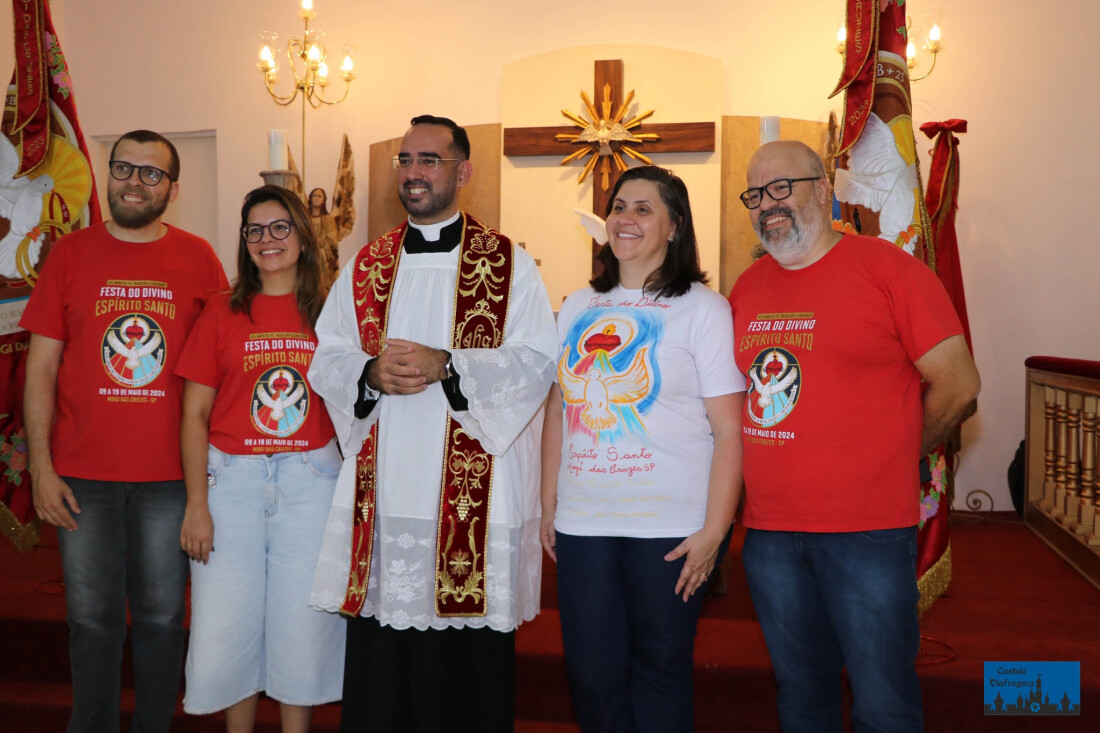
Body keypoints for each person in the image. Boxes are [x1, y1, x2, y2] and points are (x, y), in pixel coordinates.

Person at [307, 114, 557, 731]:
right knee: (383, 668)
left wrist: (449, 365)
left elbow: (535, 362)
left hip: (471, 503)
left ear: (462, 172)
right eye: (405, 161)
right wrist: (368, 374)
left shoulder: (507, 265)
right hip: (386, 494)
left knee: (465, 679)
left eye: (429, 160)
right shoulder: (366, 265)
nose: (414, 173)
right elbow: (327, 354)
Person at [728, 140, 980, 732]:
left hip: (865, 534)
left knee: (882, 698)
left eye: (781, 187)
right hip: (769, 535)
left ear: (823, 187)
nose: (768, 204)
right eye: (755, 194)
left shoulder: (888, 269)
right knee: (800, 693)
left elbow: (959, 384)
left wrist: (897, 455)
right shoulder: (746, 288)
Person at [22, 129, 229, 732]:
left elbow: (220, 367)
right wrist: (41, 465)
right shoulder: (69, 254)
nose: (134, 182)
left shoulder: (199, 259)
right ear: (107, 173)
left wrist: (206, 488)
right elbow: (41, 366)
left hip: (171, 478)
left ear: (172, 189)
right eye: (124, 168)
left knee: (164, 622)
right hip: (82, 477)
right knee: (91, 623)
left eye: (151, 173)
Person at [541, 165, 744, 732]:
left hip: (671, 527)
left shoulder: (704, 308)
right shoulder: (580, 303)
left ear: (675, 227)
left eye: (643, 209)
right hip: (586, 522)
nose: (624, 219)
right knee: (591, 675)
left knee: (660, 669)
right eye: (618, 206)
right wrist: (548, 500)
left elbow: (730, 430)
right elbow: (561, 406)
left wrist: (714, 532)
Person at [176, 185, 345, 732]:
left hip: (310, 479)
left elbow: (354, 404)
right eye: (255, 230)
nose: (267, 240)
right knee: (229, 623)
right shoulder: (224, 311)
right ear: (244, 241)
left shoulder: (332, 311)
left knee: (303, 625)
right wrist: (197, 505)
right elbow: (194, 414)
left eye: (279, 227)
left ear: (302, 235)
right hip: (233, 482)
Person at [307, 187, 339, 286]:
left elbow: (333, 240)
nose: (316, 198)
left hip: (323, 255)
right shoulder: (306, 219)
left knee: (324, 282)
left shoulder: (328, 219)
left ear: (324, 200)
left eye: (319, 196)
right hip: (310, 253)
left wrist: (323, 241)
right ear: (310, 199)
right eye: (314, 196)